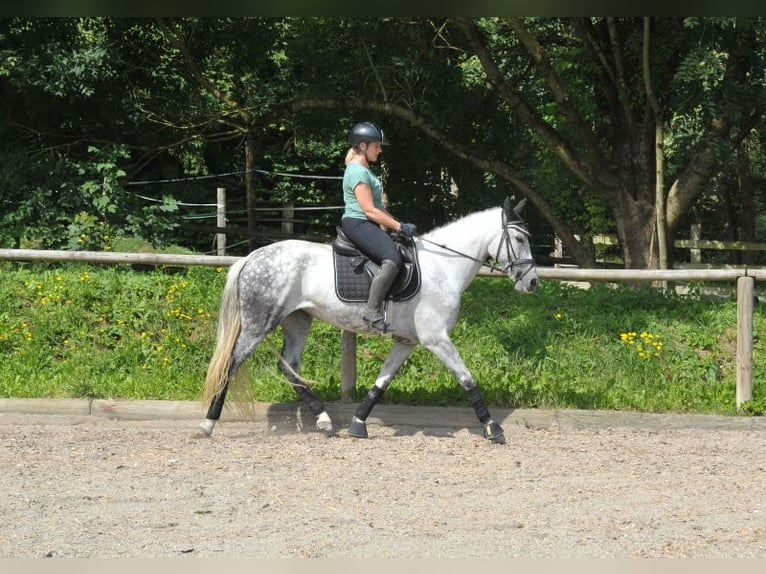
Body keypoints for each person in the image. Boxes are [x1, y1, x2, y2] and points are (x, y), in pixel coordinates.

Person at [341, 121, 417, 333]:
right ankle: (371, 312)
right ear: (363, 146)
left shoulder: (364, 171)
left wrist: (398, 225)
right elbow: (368, 210)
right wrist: (399, 227)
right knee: (392, 258)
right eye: (377, 146)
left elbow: (378, 208)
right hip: (357, 222)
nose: (380, 150)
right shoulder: (357, 172)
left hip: (364, 221)